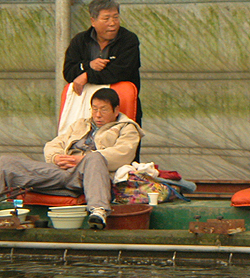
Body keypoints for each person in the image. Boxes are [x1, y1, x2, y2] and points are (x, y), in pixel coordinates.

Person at [0, 87, 143, 230]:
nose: (98, 115)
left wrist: (82, 159)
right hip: (60, 171)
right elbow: (54, 144)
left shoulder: (127, 128)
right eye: (94, 109)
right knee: (5, 162)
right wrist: (56, 157)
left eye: (103, 110)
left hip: (88, 175)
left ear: (116, 110)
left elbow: (123, 154)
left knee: (95, 157)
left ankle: (98, 212)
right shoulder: (80, 124)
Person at [63, 0, 142, 125]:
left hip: (121, 108)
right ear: (93, 21)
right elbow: (68, 72)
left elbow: (120, 72)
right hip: (85, 109)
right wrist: (88, 65)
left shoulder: (128, 40)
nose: (112, 23)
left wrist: (87, 76)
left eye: (116, 17)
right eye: (106, 18)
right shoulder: (80, 41)